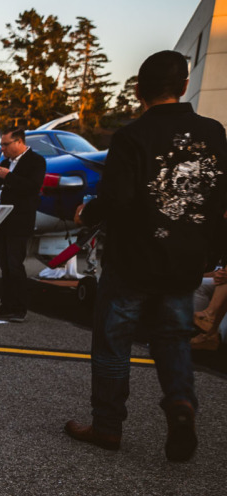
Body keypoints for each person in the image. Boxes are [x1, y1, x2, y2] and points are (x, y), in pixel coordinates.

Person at [65, 50, 227, 462]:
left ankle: (107, 425)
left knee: (113, 340)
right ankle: (181, 404)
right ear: (185, 86)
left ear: (138, 90)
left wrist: (88, 213)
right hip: (184, 259)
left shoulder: (131, 136)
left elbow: (117, 199)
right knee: (173, 339)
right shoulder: (213, 133)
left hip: (133, 259)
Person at [0, 128, 46, 322]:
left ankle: (19, 308)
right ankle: (6, 305)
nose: (2, 148)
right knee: (4, 264)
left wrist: (8, 176)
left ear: (19, 142)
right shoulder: (6, 163)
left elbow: (32, 187)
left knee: (15, 264)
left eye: (5, 144)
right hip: (1, 220)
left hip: (19, 221)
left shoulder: (36, 161)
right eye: (1, 144)